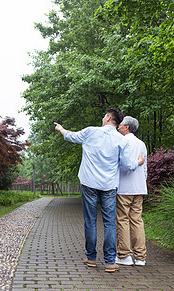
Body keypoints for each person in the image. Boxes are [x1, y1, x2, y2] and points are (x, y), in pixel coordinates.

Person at [54, 108, 145, 273]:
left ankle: (91, 258)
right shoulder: (121, 140)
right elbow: (127, 165)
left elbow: (70, 136)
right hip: (109, 186)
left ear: (108, 118)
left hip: (89, 184)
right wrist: (138, 162)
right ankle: (110, 262)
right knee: (110, 222)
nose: (103, 118)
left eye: (104, 115)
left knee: (90, 221)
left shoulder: (90, 132)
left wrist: (61, 129)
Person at [115, 116, 148, 266]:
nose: (118, 126)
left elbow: (123, 165)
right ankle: (141, 257)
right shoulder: (142, 144)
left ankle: (124, 255)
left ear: (126, 127)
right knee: (137, 221)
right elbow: (145, 169)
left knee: (122, 220)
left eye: (121, 124)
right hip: (139, 187)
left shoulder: (123, 142)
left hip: (124, 188)